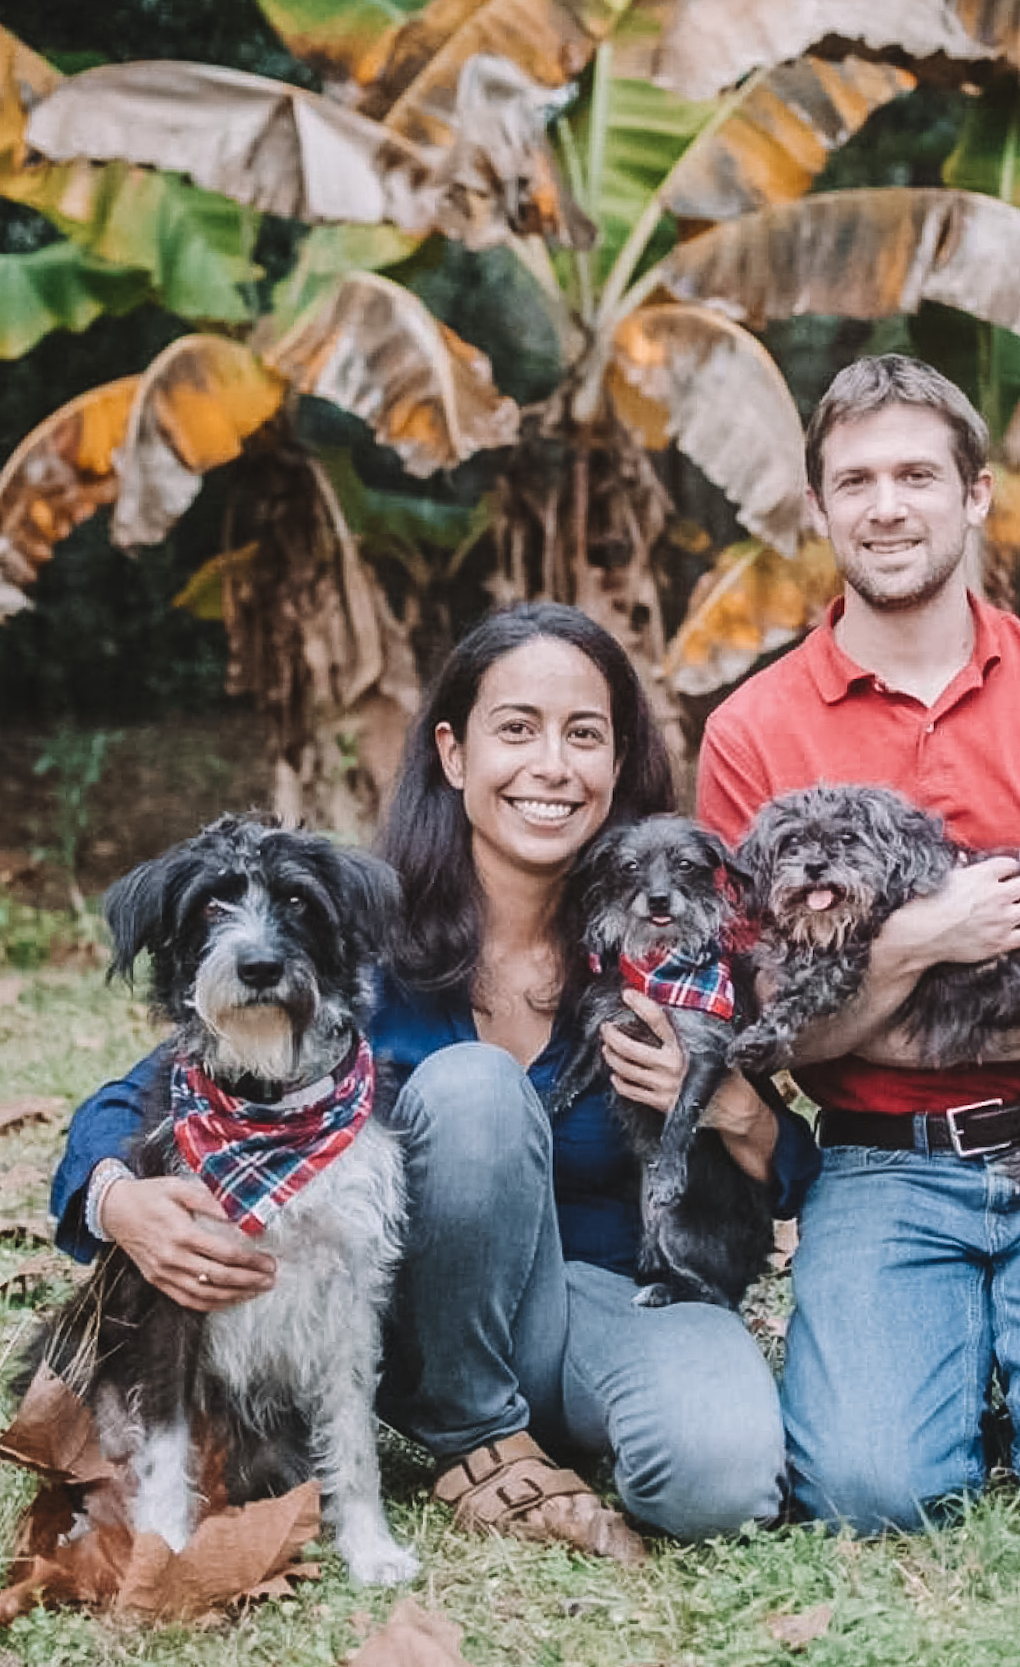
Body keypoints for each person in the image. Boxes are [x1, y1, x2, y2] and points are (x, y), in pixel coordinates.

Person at [52, 602, 819, 1555]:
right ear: (454, 756)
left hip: (599, 1296)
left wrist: (738, 1114)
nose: (551, 766)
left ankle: (544, 1426)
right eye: (516, 729)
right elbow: (144, 1094)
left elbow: (788, 1170)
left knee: (724, 1486)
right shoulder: (358, 935)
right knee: (471, 1089)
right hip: (413, 1319)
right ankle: (476, 1440)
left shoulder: (665, 945)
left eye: (585, 735)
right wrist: (117, 1199)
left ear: (618, 764)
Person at [696, 354, 1020, 1536]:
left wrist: (937, 1028)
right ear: (821, 507)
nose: (887, 505)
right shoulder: (754, 729)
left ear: (976, 493)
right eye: (857, 480)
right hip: (884, 1159)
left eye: (917, 475)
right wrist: (922, 943)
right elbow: (775, 1026)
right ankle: (959, 1342)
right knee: (870, 1493)